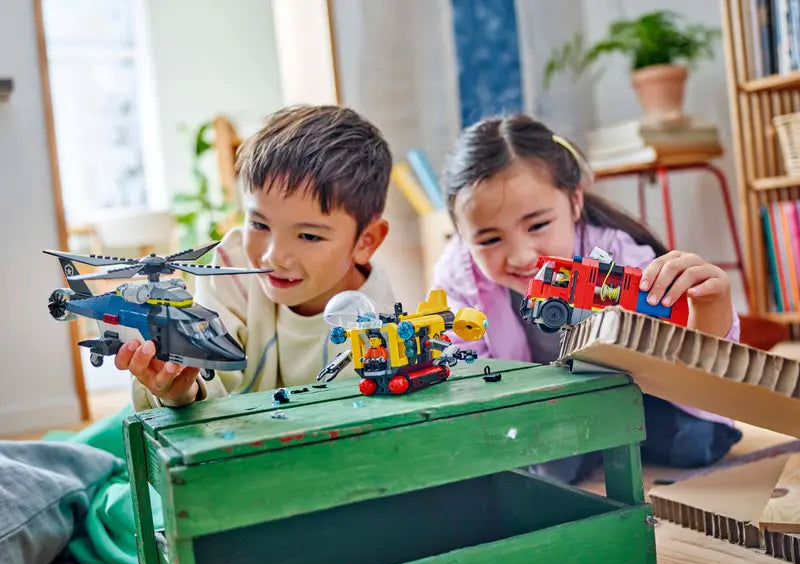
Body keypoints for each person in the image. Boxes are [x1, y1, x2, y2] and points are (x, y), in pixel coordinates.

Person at [432, 114, 742, 483]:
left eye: (537, 225)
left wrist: (711, 306)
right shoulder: (460, 278)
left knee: (698, 441)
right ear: (462, 238)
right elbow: (466, 371)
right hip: (539, 409)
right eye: (488, 240)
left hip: (639, 394)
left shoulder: (616, 254)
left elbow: (693, 359)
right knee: (539, 467)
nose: (521, 256)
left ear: (575, 202)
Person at [116, 105, 396, 410]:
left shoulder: (378, 321)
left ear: (366, 241)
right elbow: (203, 368)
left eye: (309, 236)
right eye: (259, 224)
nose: (273, 256)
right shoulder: (232, 266)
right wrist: (178, 389)